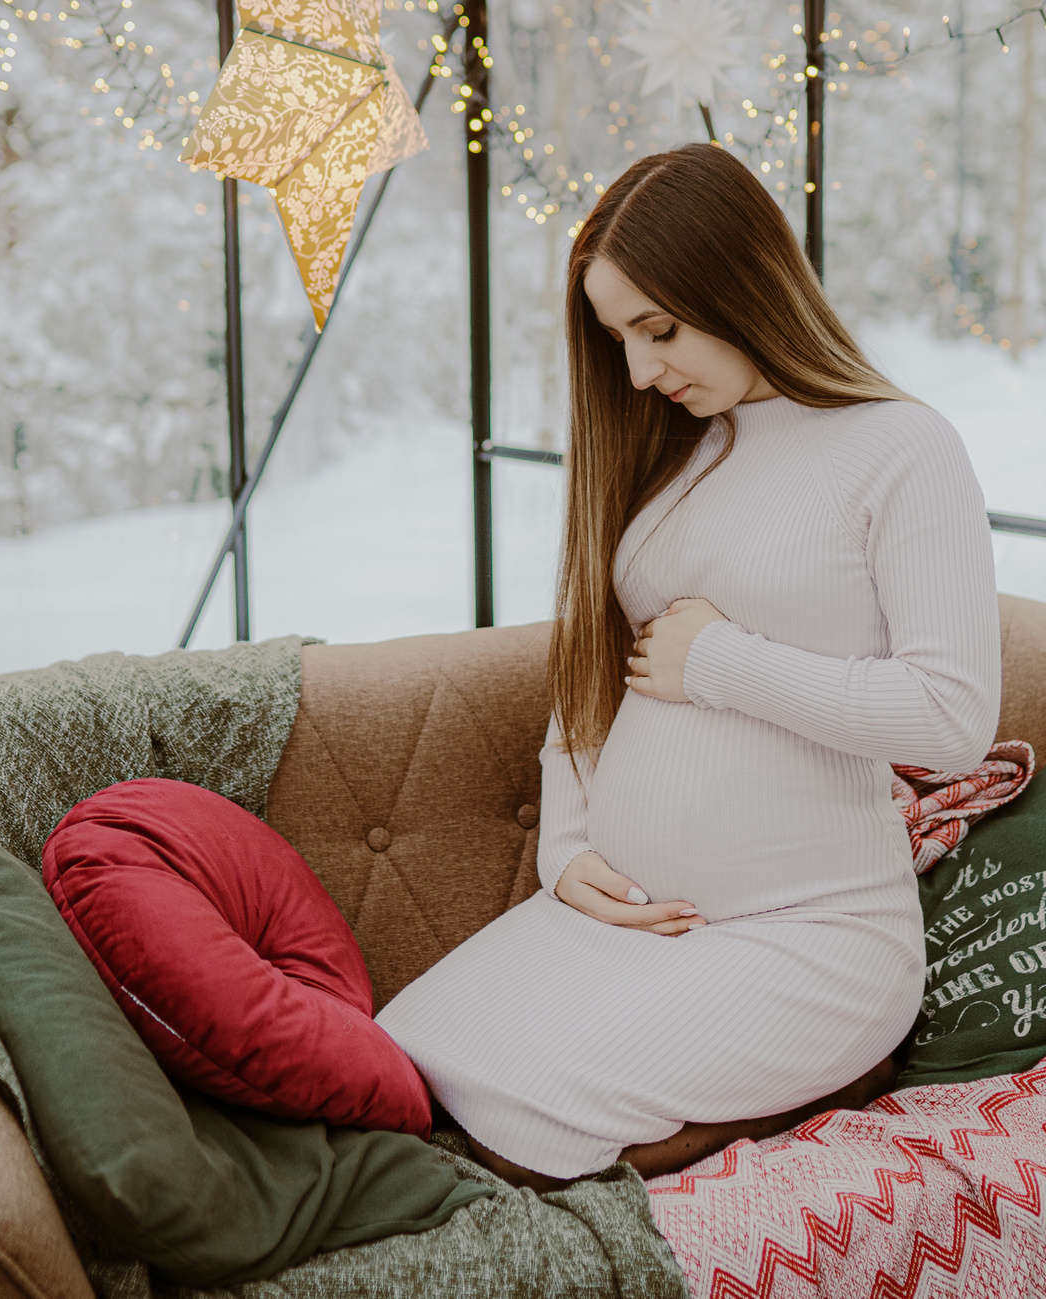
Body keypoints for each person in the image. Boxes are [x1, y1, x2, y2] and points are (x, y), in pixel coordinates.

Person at [375, 143, 1000, 1187]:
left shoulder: (900, 448)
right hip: (635, 925)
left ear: (741, 283)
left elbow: (949, 717)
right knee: (401, 1053)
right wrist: (565, 848)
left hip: (811, 937)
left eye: (657, 330)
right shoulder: (681, 447)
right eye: (619, 338)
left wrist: (723, 663)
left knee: (523, 1126)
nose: (637, 372)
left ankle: (798, 1089)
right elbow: (593, 675)